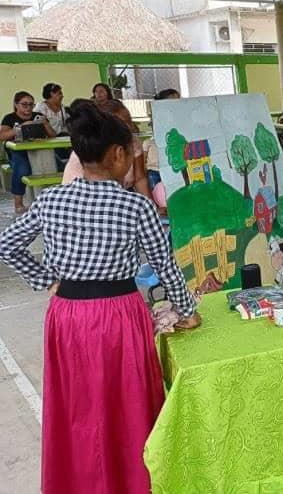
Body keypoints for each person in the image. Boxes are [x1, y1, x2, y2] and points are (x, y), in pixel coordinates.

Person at [0, 100, 201, 493]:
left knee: (79, 406)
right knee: (125, 407)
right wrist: (187, 310)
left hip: (68, 316)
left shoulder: (52, 201)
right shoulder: (135, 205)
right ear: (118, 153)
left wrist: (48, 281)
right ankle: (132, 482)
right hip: (119, 316)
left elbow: (7, 245)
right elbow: (166, 266)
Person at [63, 99, 154, 203]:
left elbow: (140, 178)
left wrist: (151, 205)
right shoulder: (86, 150)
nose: (130, 127)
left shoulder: (133, 142)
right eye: (123, 123)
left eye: (130, 121)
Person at [0, 91, 56, 214]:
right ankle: (18, 203)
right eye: (24, 104)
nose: (29, 107)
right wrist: (20, 128)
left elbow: (53, 135)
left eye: (31, 104)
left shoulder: (38, 116)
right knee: (21, 168)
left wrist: (45, 124)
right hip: (17, 152)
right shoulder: (9, 118)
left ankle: (54, 200)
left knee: (57, 165)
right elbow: (2, 136)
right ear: (16, 105)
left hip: (39, 151)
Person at [144, 89, 179, 191]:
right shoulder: (158, 116)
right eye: (172, 100)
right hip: (155, 170)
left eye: (178, 99)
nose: (177, 103)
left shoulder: (179, 115)